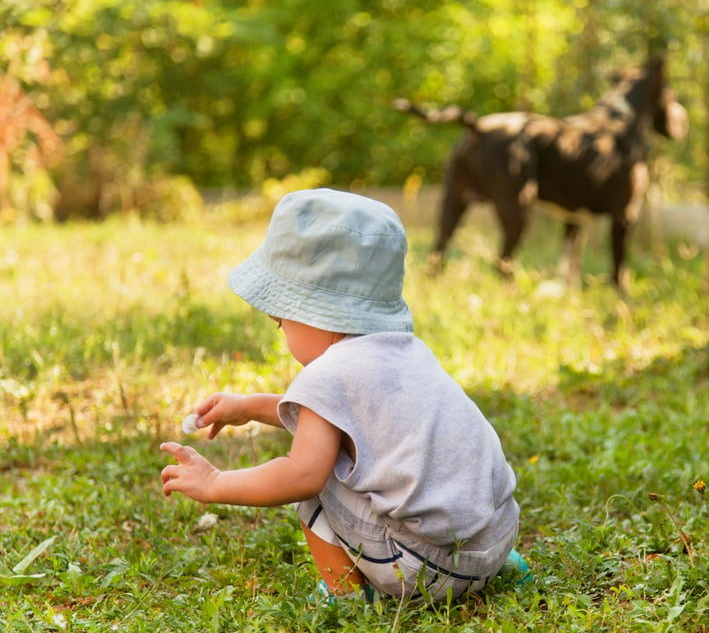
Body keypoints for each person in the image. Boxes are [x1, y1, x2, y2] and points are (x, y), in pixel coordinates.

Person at [160, 188, 525, 603]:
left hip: (426, 572)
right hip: (492, 545)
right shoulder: (408, 353)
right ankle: (503, 569)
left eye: (281, 322)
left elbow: (302, 475)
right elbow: (345, 421)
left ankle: (345, 594)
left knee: (316, 477)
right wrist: (248, 407)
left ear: (314, 313)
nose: (282, 333)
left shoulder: (329, 373)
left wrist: (215, 482)